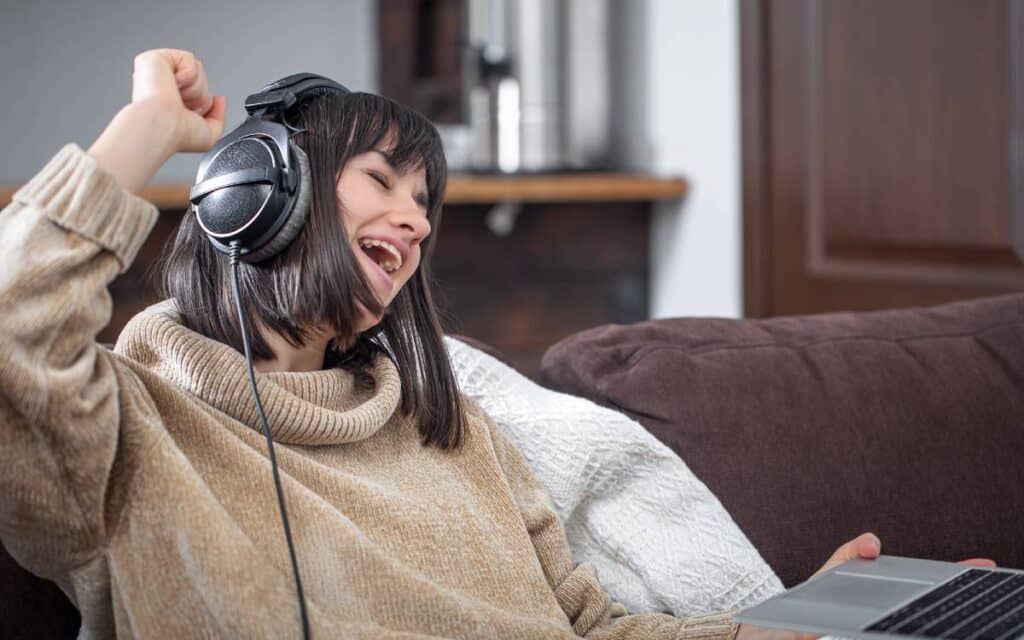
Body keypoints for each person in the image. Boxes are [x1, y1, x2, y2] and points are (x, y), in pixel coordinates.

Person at [0, 48, 993, 639]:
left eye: (425, 201)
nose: (416, 220)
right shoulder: (119, 432)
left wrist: (791, 622)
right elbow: (14, 333)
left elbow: (596, 628)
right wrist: (146, 128)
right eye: (383, 180)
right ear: (257, 195)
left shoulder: (451, 432)